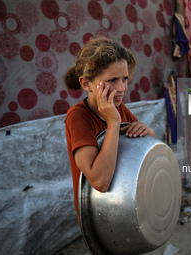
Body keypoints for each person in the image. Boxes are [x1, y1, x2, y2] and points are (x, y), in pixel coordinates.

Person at [64, 37, 155, 219]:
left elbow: (142, 147)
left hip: (123, 204)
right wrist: (113, 123)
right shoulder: (78, 117)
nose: (121, 88)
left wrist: (148, 131)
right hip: (98, 217)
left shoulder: (119, 108)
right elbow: (100, 181)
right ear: (86, 84)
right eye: (112, 80)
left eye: (125, 79)